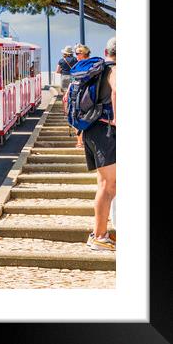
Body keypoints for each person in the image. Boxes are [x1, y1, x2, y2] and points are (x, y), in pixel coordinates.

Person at [83, 37, 116, 251]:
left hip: (92, 129)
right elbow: (117, 92)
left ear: (106, 51)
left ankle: (98, 234)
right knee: (108, 186)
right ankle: (99, 236)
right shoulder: (115, 70)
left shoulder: (100, 69)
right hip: (105, 130)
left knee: (104, 184)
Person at [72, 44, 91, 148]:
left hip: (83, 97)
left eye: (77, 53)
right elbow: (74, 80)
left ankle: (81, 141)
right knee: (76, 117)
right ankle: (79, 141)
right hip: (78, 95)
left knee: (79, 117)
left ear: (83, 54)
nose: (76, 56)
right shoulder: (81, 65)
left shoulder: (86, 66)